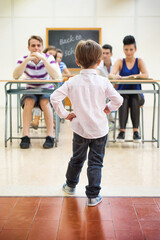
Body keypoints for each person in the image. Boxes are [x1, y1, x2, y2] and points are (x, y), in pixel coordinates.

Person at [50, 40, 123, 206]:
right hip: (99, 131)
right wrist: (108, 108)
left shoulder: (72, 81)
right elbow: (118, 100)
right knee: (95, 163)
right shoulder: (103, 81)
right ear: (99, 62)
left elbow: (54, 97)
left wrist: (65, 114)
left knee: (77, 159)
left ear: (77, 61)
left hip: (80, 129)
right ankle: (92, 196)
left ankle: (70, 186)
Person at [13, 35, 60, 149]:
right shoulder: (23, 58)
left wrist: (43, 60)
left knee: (45, 103)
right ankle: (25, 136)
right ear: (29, 47)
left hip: (46, 89)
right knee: (29, 102)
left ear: (42, 47)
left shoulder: (49, 58)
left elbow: (56, 76)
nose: (36, 48)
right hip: (31, 90)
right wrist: (27, 60)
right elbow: (15, 76)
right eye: (33, 46)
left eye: (38, 46)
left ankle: (50, 136)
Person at [108, 35, 148, 143]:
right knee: (123, 100)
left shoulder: (139, 61)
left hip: (137, 95)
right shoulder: (120, 61)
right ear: (123, 49)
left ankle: (136, 132)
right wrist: (114, 76)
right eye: (126, 49)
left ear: (135, 49)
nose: (129, 52)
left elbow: (146, 75)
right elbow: (111, 75)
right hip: (122, 94)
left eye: (131, 49)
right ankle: (122, 132)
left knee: (134, 98)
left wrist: (132, 77)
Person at [30, 46, 62, 129]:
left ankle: (48, 121)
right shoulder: (35, 62)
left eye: (53, 55)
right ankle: (36, 120)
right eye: (50, 53)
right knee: (36, 97)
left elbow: (58, 77)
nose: (51, 56)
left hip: (49, 89)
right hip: (38, 89)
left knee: (45, 100)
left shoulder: (53, 64)